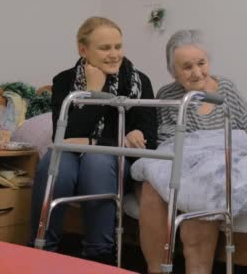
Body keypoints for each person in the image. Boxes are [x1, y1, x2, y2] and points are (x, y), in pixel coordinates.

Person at [138, 29, 247, 274]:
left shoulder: (225, 88)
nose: (197, 72)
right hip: (186, 162)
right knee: (152, 180)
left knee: (202, 189)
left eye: (201, 63)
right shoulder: (167, 95)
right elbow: (168, 141)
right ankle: (156, 269)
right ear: (173, 71)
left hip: (222, 158)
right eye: (186, 67)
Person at [29, 16, 157, 264]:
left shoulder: (140, 82)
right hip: (73, 155)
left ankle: (99, 256)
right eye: (105, 48)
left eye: (118, 46)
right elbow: (65, 136)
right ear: (83, 49)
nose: (114, 54)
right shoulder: (64, 81)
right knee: (54, 163)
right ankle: (41, 250)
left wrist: (97, 143)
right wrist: (95, 92)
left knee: (97, 160)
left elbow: (149, 141)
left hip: (117, 164)